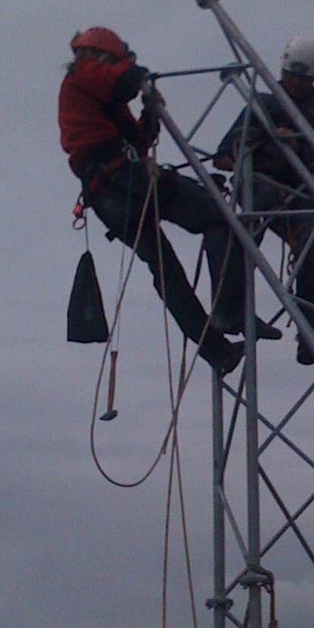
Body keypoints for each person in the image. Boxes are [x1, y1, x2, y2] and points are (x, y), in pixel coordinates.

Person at [59, 26, 247, 373]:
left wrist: (150, 112)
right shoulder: (84, 75)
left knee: (166, 271)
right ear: (102, 57)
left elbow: (138, 139)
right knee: (218, 216)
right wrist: (139, 75)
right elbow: (124, 80)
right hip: (124, 182)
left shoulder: (94, 99)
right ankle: (229, 310)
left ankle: (217, 351)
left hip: (111, 195)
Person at [214, 38, 314, 364]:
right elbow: (224, 154)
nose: (295, 82)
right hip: (259, 186)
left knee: (311, 249)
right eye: (291, 75)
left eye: (303, 78)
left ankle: (311, 331)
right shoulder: (261, 105)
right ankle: (230, 307)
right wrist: (246, 150)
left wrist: (302, 146)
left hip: (298, 195)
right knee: (246, 233)